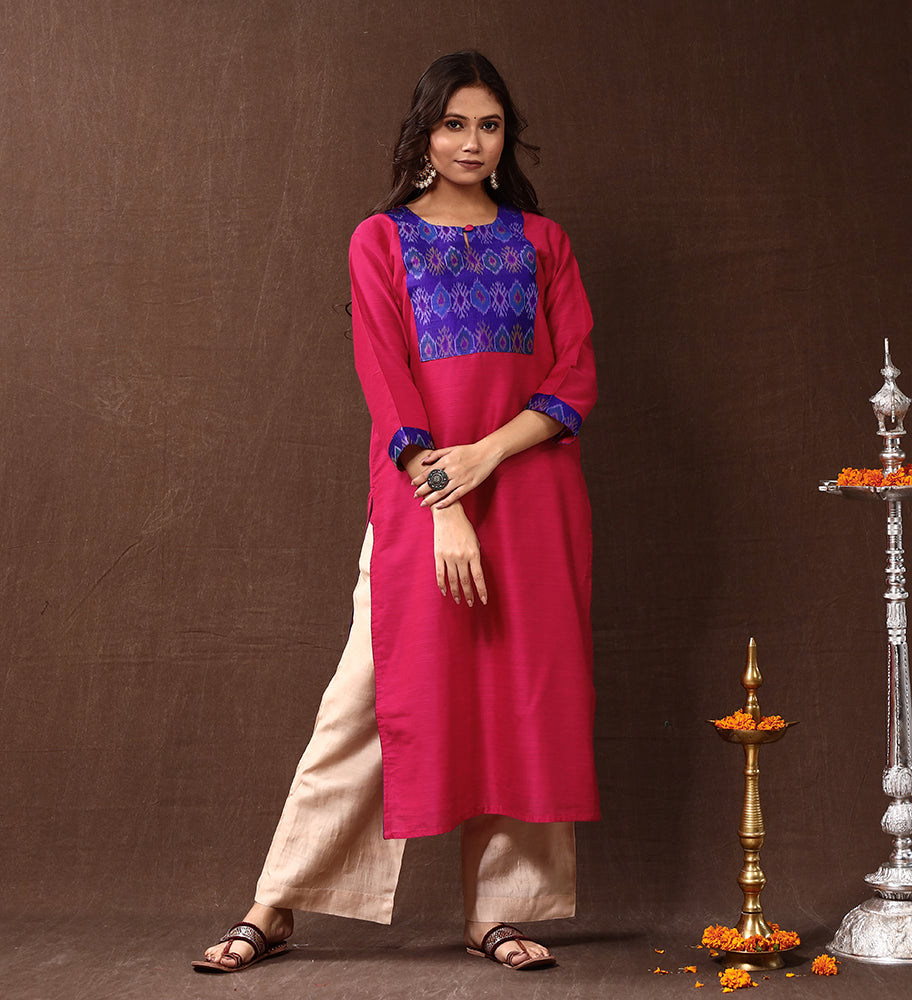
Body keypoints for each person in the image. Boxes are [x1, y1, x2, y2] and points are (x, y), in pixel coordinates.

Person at [193, 50, 599, 975]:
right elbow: (386, 382)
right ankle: (275, 905)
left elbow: (575, 375)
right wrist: (445, 500)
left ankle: (499, 912)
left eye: (488, 125)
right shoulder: (379, 240)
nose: (471, 142)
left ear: (506, 138)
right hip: (422, 499)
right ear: (424, 133)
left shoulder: (544, 242)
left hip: (532, 496)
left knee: (522, 695)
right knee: (367, 699)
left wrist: (486, 456)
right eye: (454, 124)